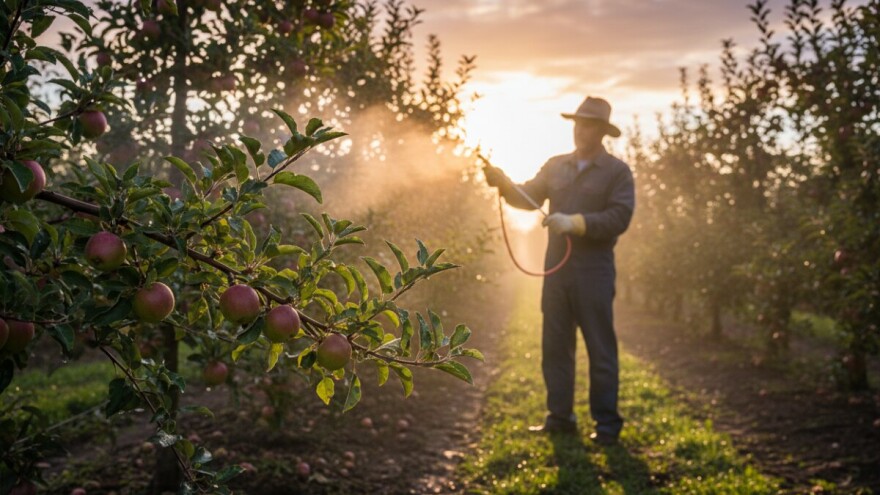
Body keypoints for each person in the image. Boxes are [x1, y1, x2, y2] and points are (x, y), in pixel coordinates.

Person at [483, 96, 635, 445]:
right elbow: (528, 196)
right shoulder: (555, 166)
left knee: (600, 349)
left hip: (595, 272)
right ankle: (560, 418)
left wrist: (576, 222)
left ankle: (607, 425)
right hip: (556, 271)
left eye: (589, 124)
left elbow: (620, 217)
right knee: (555, 346)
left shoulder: (617, 172)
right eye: (578, 123)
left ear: (603, 131)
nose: (581, 130)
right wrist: (503, 183)